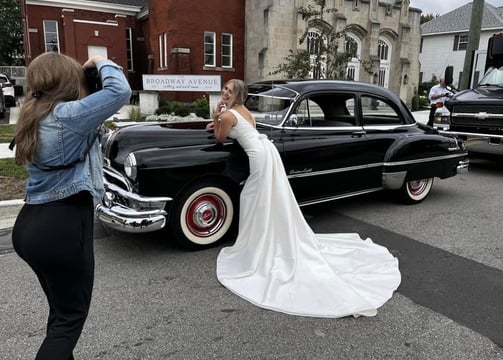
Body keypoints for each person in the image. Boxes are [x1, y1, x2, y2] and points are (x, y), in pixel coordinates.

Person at [210, 79, 401, 318]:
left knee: (253, 196)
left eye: (230, 91)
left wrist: (216, 114)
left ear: (238, 95)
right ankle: (263, 235)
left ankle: (257, 244)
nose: (225, 93)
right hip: (264, 151)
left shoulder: (229, 114)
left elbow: (219, 138)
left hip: (258, 154)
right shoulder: (242, 111)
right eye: (225, 89)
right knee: (259, 195)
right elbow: (237, 129)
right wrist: (220, 118)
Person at [12, 52, 131, 359]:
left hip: (29, 226)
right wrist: (98, 62)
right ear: (68, 81)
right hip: (62, 225)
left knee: (60, 314)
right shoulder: (69, 115)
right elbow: (119, 91)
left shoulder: (31, 112)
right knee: (69, 321)